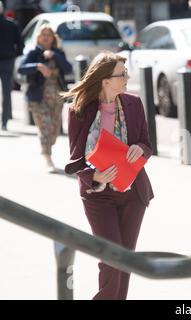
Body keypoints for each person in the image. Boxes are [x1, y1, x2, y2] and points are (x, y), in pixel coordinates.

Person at [62, 52, 154, 300]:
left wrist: (140, 150)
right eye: (121, 74)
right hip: (98, 196)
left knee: (125, 261)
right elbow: (74, 161)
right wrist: (96, 176)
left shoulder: (134, 103)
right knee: (110, 259)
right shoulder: (79, 110)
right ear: (105, 80)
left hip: (132, 193)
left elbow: (147, 143)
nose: (127, 77)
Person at [18, 24, 72, 172]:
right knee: (45, 127)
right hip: (38, 97)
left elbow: (68, 68)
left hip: (56, 97)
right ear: (39, 37)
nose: (46, 37)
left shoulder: (58, 52)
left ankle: (48, 146)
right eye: (43, 34)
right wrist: (38, 66)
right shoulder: (33, 52)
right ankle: (48, 158)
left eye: (49, 34)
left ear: (53, 37)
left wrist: (54, 55)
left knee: (54, 131)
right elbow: (21, 68)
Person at [0, 1, 24, 131]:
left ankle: (5, 119)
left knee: (7, 91)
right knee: (6, 91)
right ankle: (4, 121)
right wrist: (13, 54)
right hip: (8, 60)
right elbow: (21, 45)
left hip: (7, 60)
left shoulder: (12, 24)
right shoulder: (11, 24)